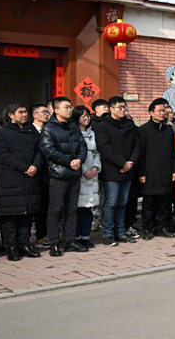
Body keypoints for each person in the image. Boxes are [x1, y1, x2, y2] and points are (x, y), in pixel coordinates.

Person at [0, 103, 43, 261]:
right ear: (11, 115)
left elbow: (40, 151)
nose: (24, 115)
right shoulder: (2, 132)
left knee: (26, 215)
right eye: (20, 112)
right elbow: (2, 155)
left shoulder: (31, 130)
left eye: (25, 112)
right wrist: (25, 167)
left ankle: (24, 245)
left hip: (30, 179)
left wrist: (35, 165)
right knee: (10, 217)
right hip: (11, 180)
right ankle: (11, 248)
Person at [40, 97, 88, 256]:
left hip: (74, 175)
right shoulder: (49, 128)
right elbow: (49, 151)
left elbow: (83, 146)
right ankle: (53, 244)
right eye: (66, 107)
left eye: (70, 107)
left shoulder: (74, 127)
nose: (70, 109)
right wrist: (69, 162)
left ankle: (71, 241)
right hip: (58, 175)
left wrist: (79, 160)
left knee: (71, 210)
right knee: (55, 210)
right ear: (56, 110)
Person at [94, 96, 140, 247]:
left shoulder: (129, 125)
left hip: (128, 169)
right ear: (111, 109)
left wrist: (131, 162)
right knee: (111, 202)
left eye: (124, 107)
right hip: (112, 170)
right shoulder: (103, 126)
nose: (123, 110)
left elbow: (137, 145)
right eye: (120, 107)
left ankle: (120, 231)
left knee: (123, 202)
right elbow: (104, 148)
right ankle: (108, 234)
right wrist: (122, 163)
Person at [137, 99, 175, 240]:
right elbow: (140, 154)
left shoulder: (169, 130)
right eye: (159, 111)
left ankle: (162, 227)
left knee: (164, 203)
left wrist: (174, 170)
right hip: (150, 173)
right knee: (149, 203)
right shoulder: (143, 130)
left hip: (166, 172)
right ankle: (147, 228)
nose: (162, 113)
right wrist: (141, 173)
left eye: (164, 110)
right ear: (151, 112)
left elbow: (174, 152)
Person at [72, 106, 100, 249]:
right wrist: (84, 170)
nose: (86, 118)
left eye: (88, 115)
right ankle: (76, 237)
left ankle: (85, 237)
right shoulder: (73, 133)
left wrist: (95, 167)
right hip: (79, 174)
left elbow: (97, 153)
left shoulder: (93, 133)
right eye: (83, 115)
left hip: (92, 175)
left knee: (88, 207)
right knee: (77, 208)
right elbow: (73, 154)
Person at [29, 102, 50, 247]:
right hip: (33, 174)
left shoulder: (49, 129)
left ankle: (42, 237)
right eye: (44, 112)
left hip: (49, 176)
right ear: (35, 115)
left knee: (45, 209)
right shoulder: (29, 131)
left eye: (48, 112)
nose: (47, 114)